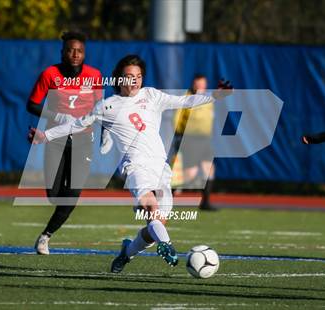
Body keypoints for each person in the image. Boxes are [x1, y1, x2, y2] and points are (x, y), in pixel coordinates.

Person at [29, 55, 228, 272]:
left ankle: (128, 252)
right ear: (119, 79)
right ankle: (167, 244)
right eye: (129, 77)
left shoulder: (152, 95)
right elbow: (76, 125)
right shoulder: (107, 106)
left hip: (161, 168)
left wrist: (215, 96)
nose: (134, 81)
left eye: (138, 76)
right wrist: (45, 135)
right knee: (150, 207)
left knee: (155, 226)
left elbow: (185, 101)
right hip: (134, 166)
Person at [27, 31, 110, 255]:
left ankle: (45, 236)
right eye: (71, 50)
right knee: (54, 195)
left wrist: (107, 133)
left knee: (72, 195)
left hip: (83, 140)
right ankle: (61, 202)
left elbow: (100, 109)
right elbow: (32, 105)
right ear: (62, 52)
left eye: (80, 51)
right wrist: (58, 117)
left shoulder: (94, 75)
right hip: (56, 139)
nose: (75, 54)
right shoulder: (50, 74)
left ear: (85, 54)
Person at [172, 75, 232, 210]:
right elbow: (177, 118)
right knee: (189, 174)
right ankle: (165, 197)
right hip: (190, 139)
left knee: (209, 169)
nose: (200, 87)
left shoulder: (208, 98)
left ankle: (205, 203)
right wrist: (178, 135)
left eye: (202, 84)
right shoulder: (187, 98)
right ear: (193, 84)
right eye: (198, 84)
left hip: (205, 139)